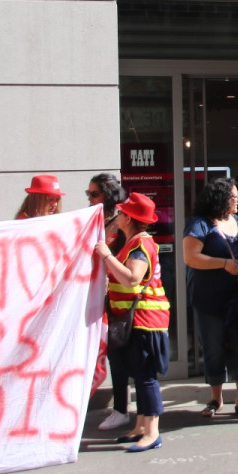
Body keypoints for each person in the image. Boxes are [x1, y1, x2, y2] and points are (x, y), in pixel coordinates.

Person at [94, 192, 169, 452]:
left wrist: (106, 256)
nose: (119, 216)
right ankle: (140, 427)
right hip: (138, 322)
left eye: (122, 213)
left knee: (146, 377)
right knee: (140, 375)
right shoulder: (137, 242)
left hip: (144, 322)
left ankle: (152, 432)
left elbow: (132, 278)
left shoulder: (139, 247)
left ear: (128, 218)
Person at [182, 178, 238, 418]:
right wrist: (224, 264)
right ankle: (215, 399)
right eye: (234, 196)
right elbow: (191, 257)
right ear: (220, 199)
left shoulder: (237, 221)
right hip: (210, 297)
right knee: (213, 346)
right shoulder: (200, 224)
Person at [89, 174, 133, 431]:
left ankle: (121, 409)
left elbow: (127, 261)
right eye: (89, 195)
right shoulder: (93, 219)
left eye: (94, 194)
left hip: (117, 298)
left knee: (118, 353)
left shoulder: (121, 222)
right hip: (94, 295)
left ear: (108, 195)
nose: (91, 199)